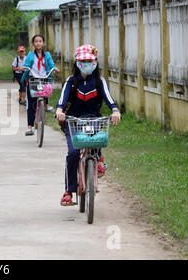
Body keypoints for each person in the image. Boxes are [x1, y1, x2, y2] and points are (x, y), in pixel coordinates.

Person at [55, 45, 121, 206]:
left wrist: (115, 111)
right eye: (83, 61)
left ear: (95, 62)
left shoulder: (100, 81)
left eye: (90, 61)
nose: (86, 63)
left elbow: (109, 99)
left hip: (93, 120)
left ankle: (98, 157)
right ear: (77, 62)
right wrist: (59, 111)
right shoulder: (71, 81)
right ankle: (69, 191)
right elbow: (62, 100)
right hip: (74, 121)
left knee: (97, 140)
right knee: (72, 153)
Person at [22, 34, 59, 136]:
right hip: (33, 79)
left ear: (43, 43)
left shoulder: (47, 55)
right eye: (36, 41)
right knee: (31, 104)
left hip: (44, 79)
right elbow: (26, 64)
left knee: (47, 91)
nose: (38, 43)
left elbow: (51, 64)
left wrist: (54, 68)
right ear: (33, 44)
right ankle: (30, 127)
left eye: (40, 41)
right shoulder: (30, 55)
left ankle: (45, 105)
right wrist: (23, 67)